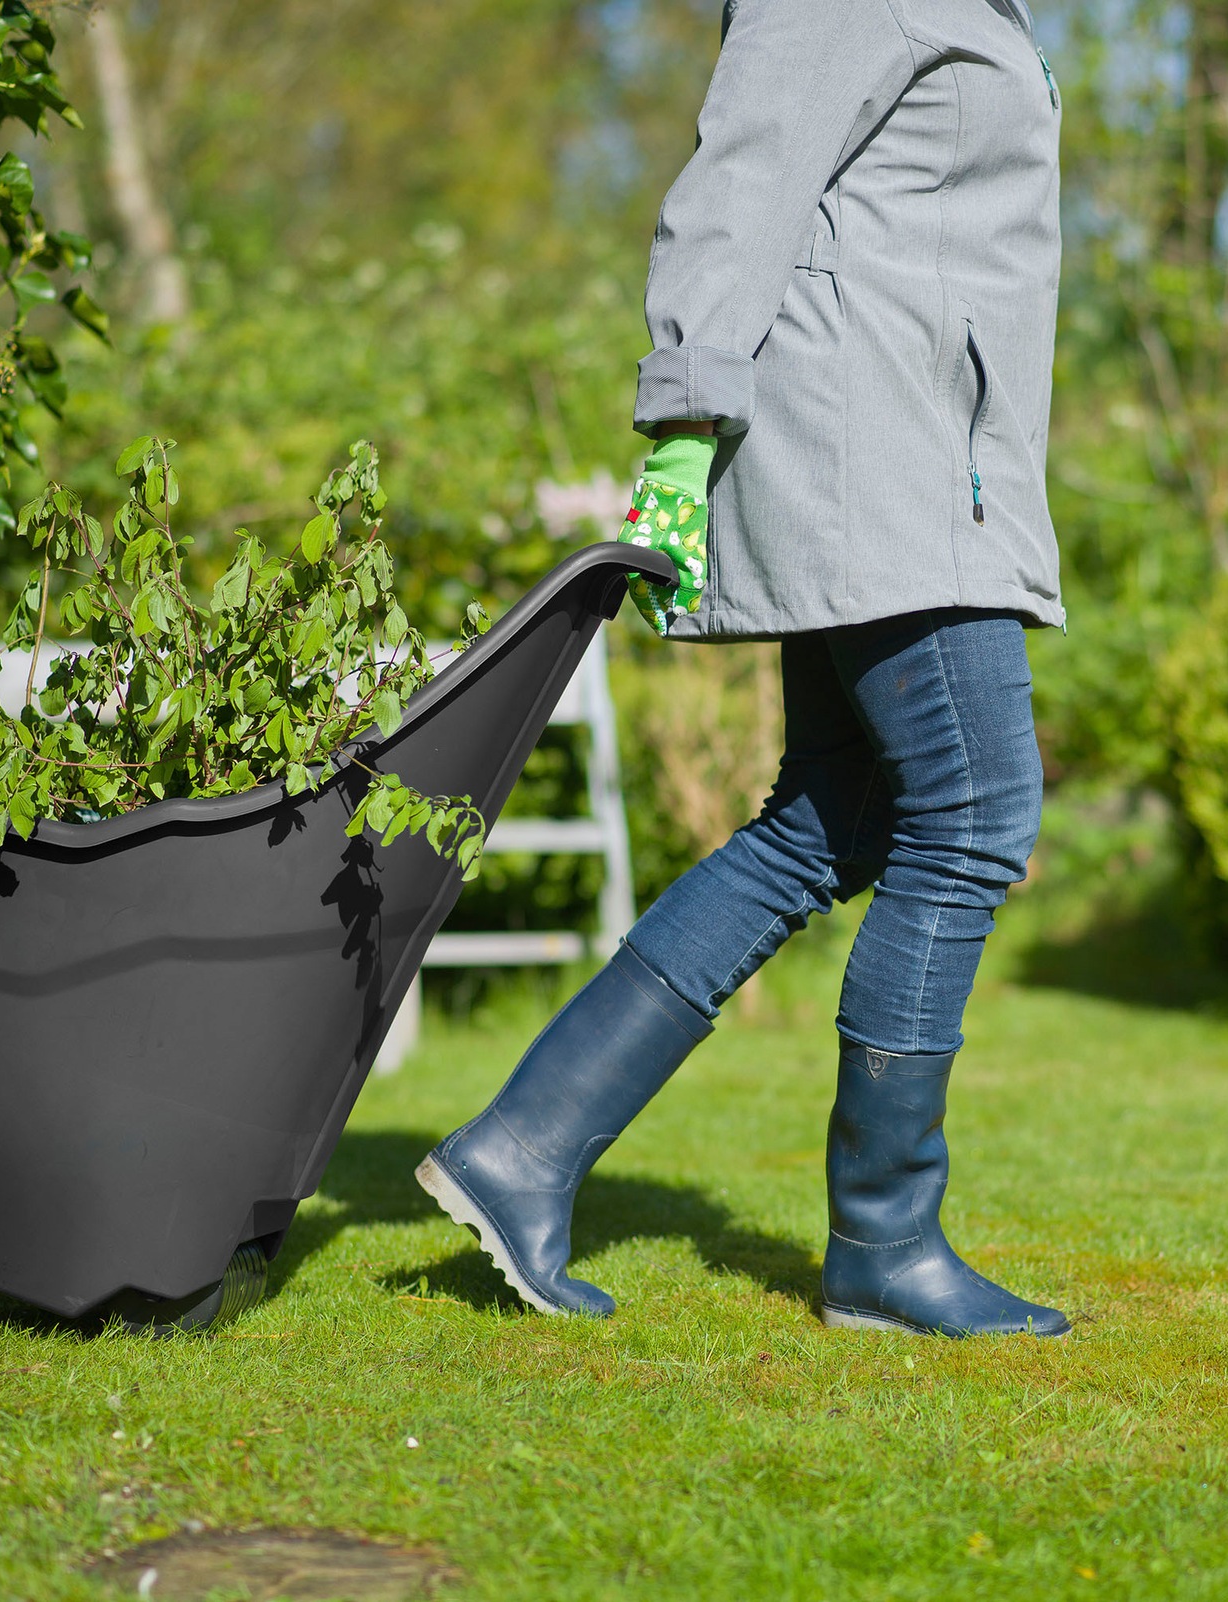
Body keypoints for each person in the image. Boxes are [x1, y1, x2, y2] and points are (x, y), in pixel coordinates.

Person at [416, 0, 1067, 1338]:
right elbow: (744, 174)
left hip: (913, 447)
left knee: (830, 823)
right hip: (872, 455)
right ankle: (886, 1241)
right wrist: (682, 418)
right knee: (975, 811)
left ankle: (522, 1147)